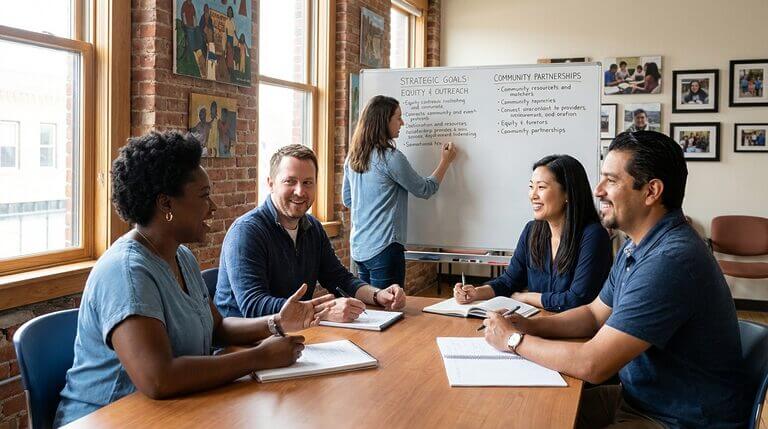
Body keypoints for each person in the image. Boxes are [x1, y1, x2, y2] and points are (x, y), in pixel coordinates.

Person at [54, 132, 335, 426]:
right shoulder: (127, 271)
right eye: (203, 196)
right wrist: (258, 358)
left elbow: (217, 327)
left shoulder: (181, 256)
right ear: (166, 205)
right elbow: (159, 378)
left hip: (174, 409)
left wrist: (275, 323)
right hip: (112, 416)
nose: (212, 207)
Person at [482, 131, 751, 428]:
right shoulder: (636, 246)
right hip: (642, 400)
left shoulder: (669, 261)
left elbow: (593, 364)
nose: (597, 190)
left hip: (679, 420)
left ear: (651, 192)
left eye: (610, 181)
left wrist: (513, 339)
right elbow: (593, 314)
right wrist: (531, 324)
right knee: (532, 413)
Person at [216, 144, 406, 322]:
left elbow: (338, 278)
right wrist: (324, 311)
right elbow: (254, 306)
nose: (300, 191)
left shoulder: (313, 227)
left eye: (308, 182)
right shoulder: (247, 232)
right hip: (243, 346)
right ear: (271, 183)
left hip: (293, 335)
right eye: (290, 181)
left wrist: (378, 294)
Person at [453, 155, 611, 312]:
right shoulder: (531, 230)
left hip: (577, 333)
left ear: (567, 193)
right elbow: (509, 281)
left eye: (541, 187)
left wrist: (525, 297)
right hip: (537, 324)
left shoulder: (593, 236)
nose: (533, 195)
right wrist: (476, 292)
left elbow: (576, 300)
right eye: (531, 187)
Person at [342, 95, 457, 288]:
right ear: (383, 121)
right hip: (385, 249)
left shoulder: (352, 158)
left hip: (360, 248)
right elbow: (425, 189)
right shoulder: (390, 158)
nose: (402, 123)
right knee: (389, 310)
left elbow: (347, 199)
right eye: (398, 117)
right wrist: (445, 162)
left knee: (370, 312)